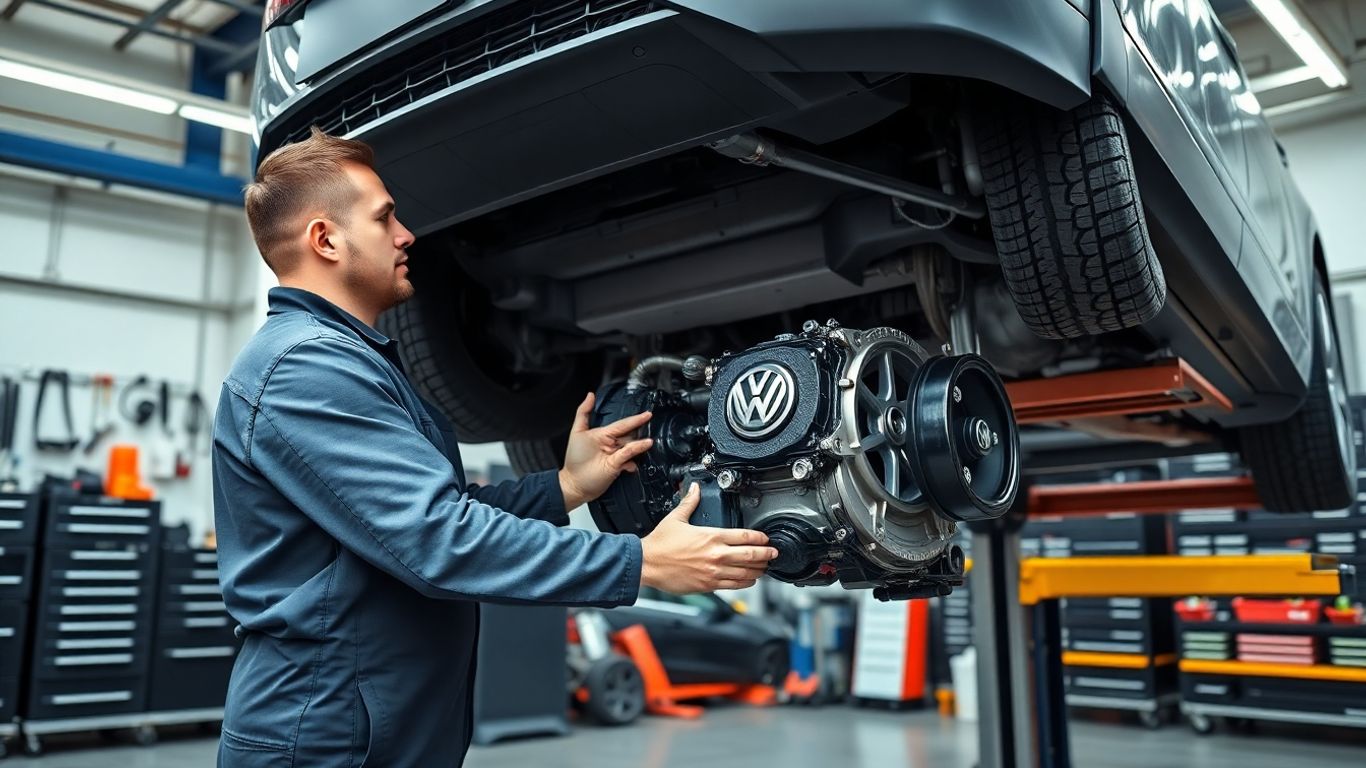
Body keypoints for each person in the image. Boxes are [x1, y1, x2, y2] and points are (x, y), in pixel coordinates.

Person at [212, 127, 778, 767]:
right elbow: (435, 539)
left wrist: (564, 486)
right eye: (385, 218)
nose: (406, 237)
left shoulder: (348, 361)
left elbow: (434, 512)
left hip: (370, 724)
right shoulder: (304, 370)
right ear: (326, 239)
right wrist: (638, 563)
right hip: (322, 740)